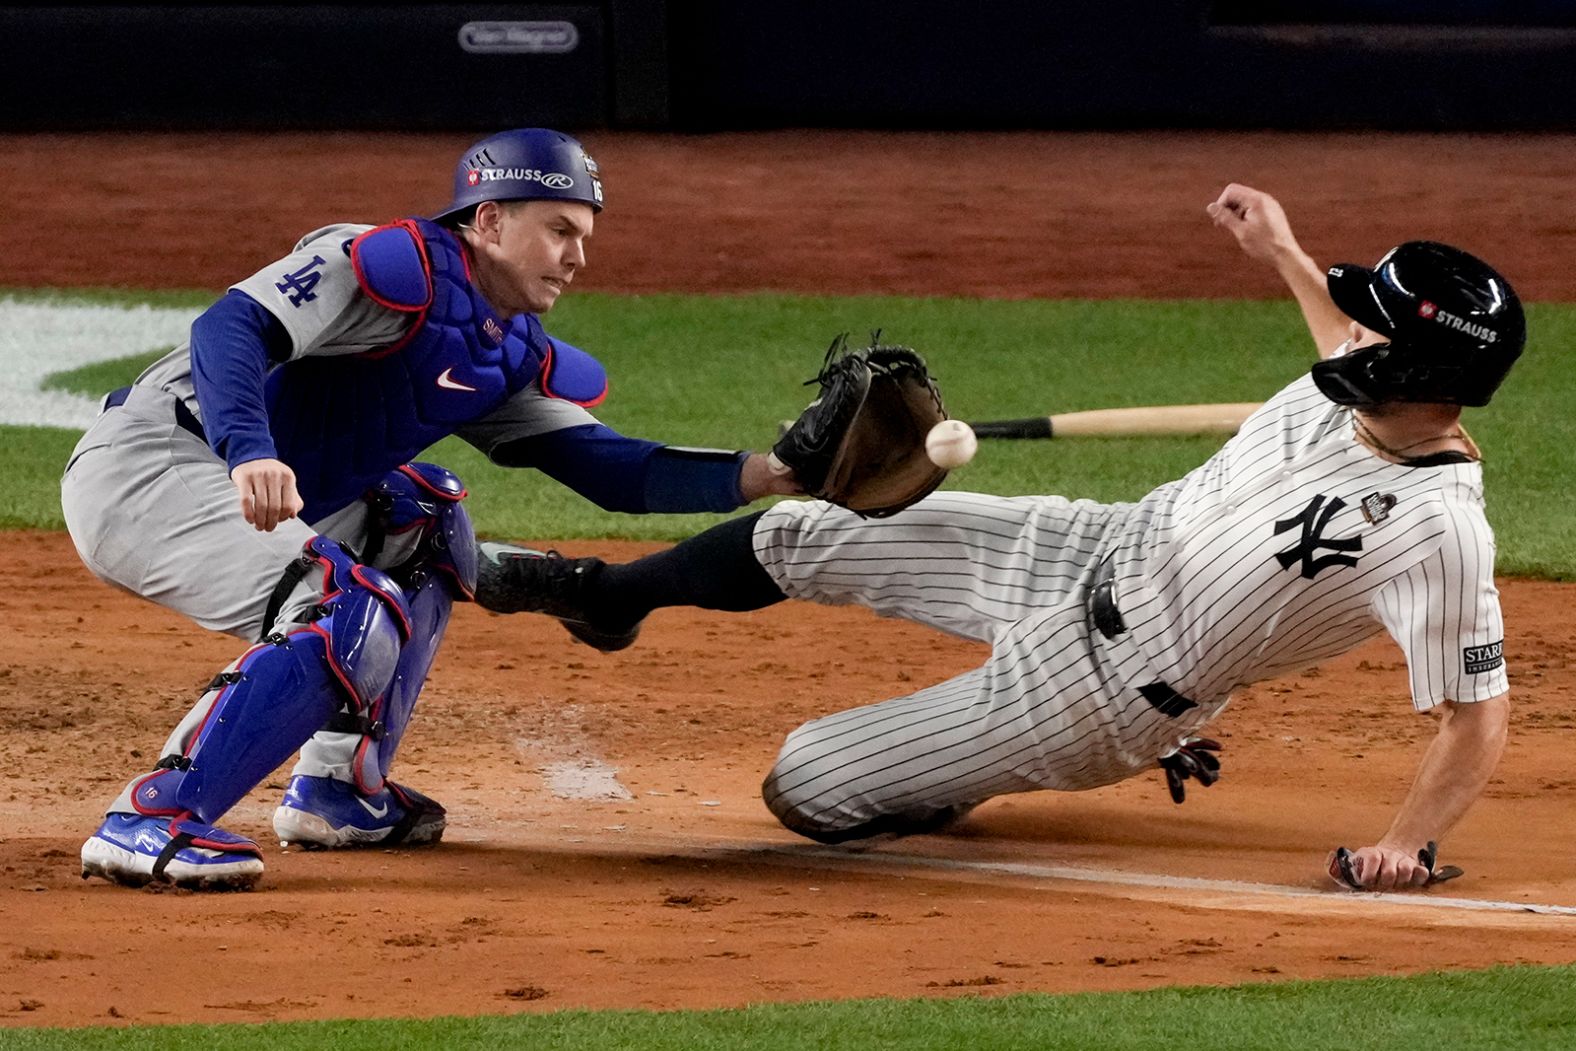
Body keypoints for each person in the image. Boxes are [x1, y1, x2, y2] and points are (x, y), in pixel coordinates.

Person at [491, 184, 1522, 892]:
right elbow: (1334, 332)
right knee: (811, 526)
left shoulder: (1437, 534)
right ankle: (610, 598)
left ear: (1417, 374)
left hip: (1105, 693)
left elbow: (1473, 719)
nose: (1355, 332)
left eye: (1377, 328)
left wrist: (1405, 845)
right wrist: (1281, 251)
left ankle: (957, 771)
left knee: (805, 781)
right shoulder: (1363, 379)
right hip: (1087, 544)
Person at [63, 128, 798, 890]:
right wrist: (250, 448)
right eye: (559, 230)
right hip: (153, 465)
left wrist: (771, 473)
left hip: (244, 484)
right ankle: (153, 817)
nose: (578, 257)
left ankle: (341, 788)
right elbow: (230, 326)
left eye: (583, 235)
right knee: (344, 605)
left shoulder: (503, 349)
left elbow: (610, 467)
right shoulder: (378, 264)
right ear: (487, 220)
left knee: (426, 522)